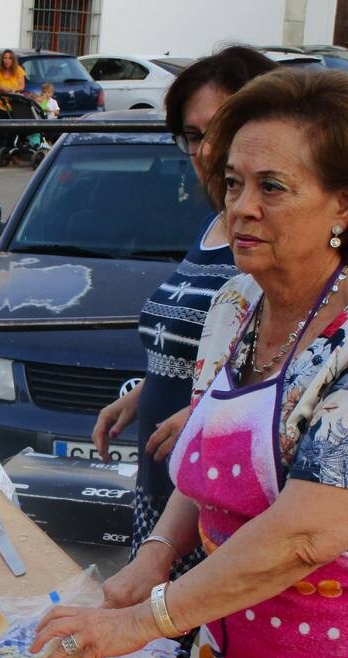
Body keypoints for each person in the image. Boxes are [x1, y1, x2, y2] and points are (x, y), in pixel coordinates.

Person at [35, 68, 348, 658]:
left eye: (271, 187)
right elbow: (211, 460)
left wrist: (142, 621)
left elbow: (307, 534)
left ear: (346, 201)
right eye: (234, 182)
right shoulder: (237, 305)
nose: (241, 207)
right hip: (227, 634)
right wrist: (155, 557)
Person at [93, 46, 276, 606]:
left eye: (216, 131)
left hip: (211, 497)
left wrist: (200, 411)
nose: (204, 152)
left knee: (186, 644)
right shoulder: (216, 226)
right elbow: (207, 347)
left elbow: (278, 366)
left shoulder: (263, 242)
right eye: (191, 136)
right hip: (163, 488)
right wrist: (147, 392)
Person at [0, 49, 27, 114]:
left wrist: (11, 90)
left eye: (10, 58)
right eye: (5, 58)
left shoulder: (19, 70)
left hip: (14, 104)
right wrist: (1, 88)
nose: (7, 61)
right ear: (2, 60)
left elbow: (21, 86)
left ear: (13, 60)